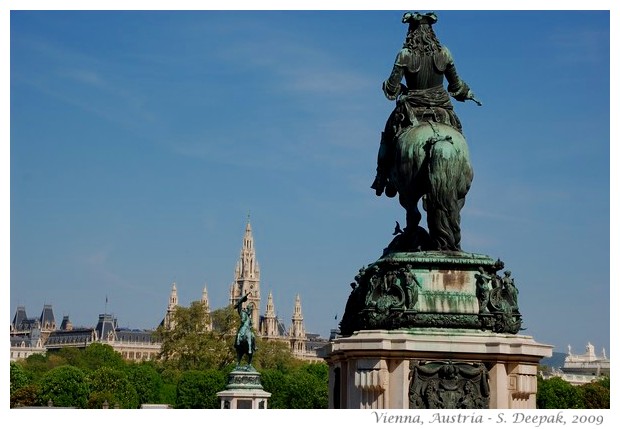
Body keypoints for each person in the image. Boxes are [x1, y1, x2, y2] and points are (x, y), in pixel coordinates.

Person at [371, 11, 479, 197]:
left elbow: (391, 89)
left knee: (387, 136)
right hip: (442, 108)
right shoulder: (444, 53)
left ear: (411, 31)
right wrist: (468, 93)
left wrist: (390, 87)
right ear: (431, 31)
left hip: (412, 107)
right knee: (458, 131)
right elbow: (456, 86)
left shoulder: (404, 55)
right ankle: (463, 169)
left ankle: (381, 177)